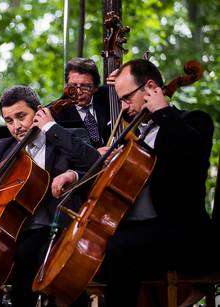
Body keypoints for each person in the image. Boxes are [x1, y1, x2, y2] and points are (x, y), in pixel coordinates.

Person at [58, 59, 215, 307]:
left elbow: (190, 153)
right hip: (138, 229)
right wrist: (75, 176)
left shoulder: (194, 121)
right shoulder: (133, 137)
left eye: (127, 98)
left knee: (119, 249)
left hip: (180, 230)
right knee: (86, 250)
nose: (123, 106)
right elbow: (111, 180)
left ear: (151, 88)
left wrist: (163, 112)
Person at [0, 85, 100, 307]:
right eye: (9, 121)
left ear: (38, 111)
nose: (16, 127)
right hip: (21, 231)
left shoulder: (68, 135)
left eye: (21, 116)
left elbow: (95, 164)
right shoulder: (4, 147)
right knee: (13, 263)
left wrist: (51, 128)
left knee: (48, 270)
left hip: (61, 229)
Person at [54, 57, 111, 148]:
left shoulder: (109, 95)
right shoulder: (58, 110)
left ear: (95, 87)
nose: (78, 92)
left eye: (85, 87)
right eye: (73, 86)